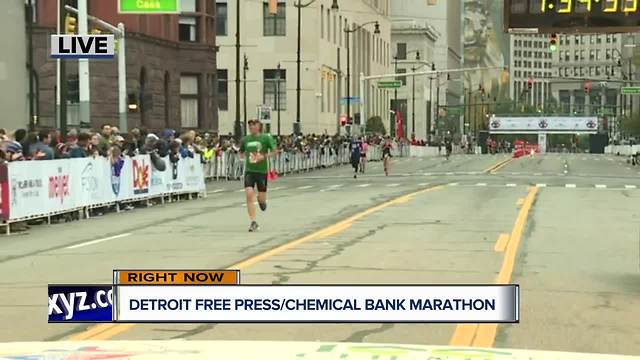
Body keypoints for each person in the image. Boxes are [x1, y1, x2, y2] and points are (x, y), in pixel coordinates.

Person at [239, 119, 276, 232]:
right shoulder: (245, 139)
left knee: (261, 198)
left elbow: (275, 151)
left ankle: (262, 201)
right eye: (250, 126)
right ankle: (253, 222)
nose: (251, 127)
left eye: (254, 125)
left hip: (262, 171)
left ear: (259, 126)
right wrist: (242, 157)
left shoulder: (266, 138)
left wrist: (263, 157)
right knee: (249, 194)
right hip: (249, 170)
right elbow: (241, 151)